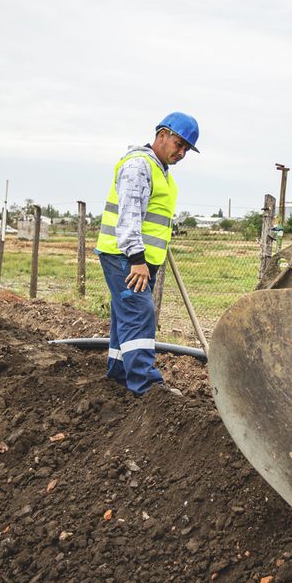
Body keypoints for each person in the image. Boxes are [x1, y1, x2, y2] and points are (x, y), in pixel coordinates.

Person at [95, 112, 200, 395]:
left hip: (141, 260)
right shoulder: (139, 165)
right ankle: (147, 386)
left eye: (186, 149)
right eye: (179, 144)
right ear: (162, 135)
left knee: (125, 315)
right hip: (125, 258)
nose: (181, 153)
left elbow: (152, 216)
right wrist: (137, 260)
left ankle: (118, 374)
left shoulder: (162, 172)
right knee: (140, 313)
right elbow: (129, 217)